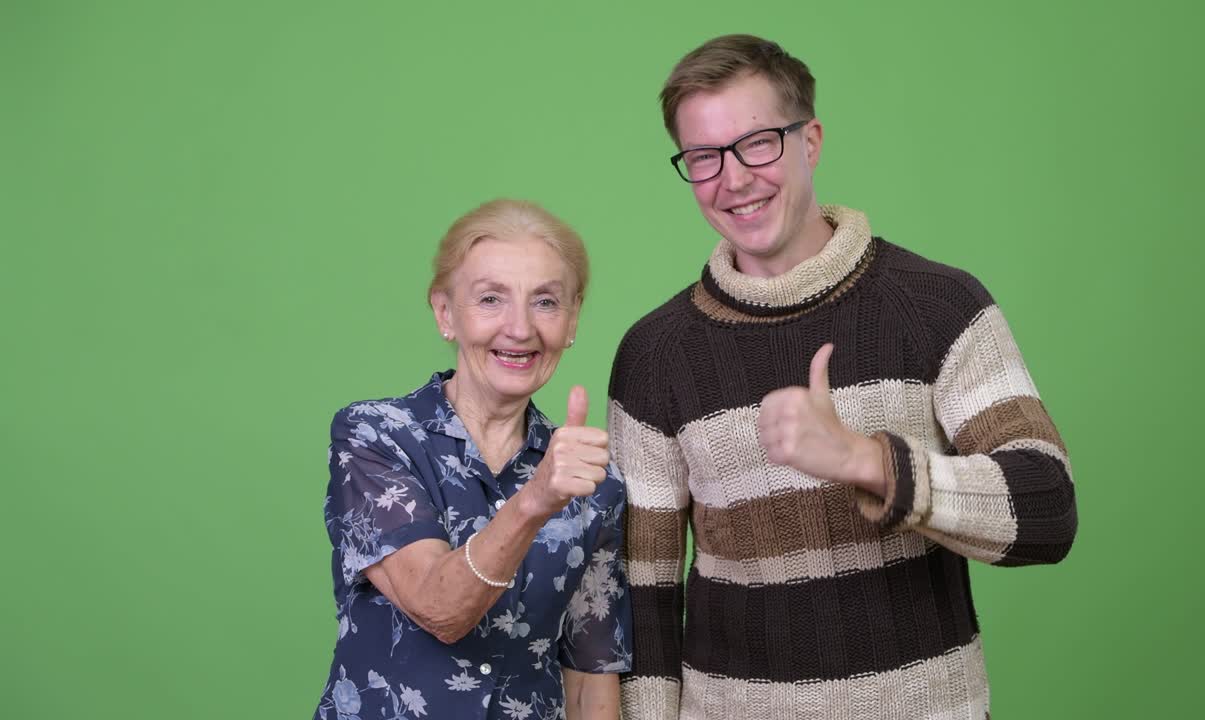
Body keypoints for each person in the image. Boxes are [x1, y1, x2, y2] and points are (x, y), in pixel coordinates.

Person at [609, 35, 1077, 719]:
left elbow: (1047, 510)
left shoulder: (941, 306)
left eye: (758, 142)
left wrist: (869, 462)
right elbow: (643, 598)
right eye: (704, 157)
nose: (733, 178)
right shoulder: (655, 354)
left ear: (811, 140)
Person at [315, 199, 632, 720]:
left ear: (572, 319)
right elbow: (439, 610)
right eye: (491, 299)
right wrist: (536, 500)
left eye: (546, 302)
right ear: (445, 313)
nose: (520, 328)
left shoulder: (595, 483)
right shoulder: (375, 436)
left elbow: (588, 682)